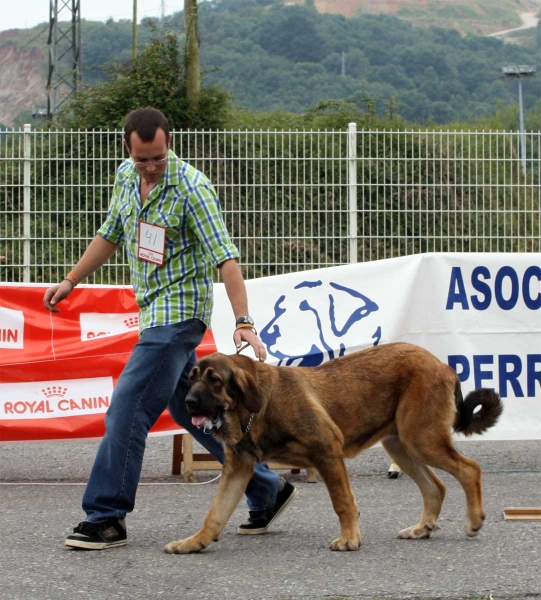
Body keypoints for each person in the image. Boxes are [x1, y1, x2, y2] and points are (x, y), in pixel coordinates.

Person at [43, 106, 297, 551]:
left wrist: (242, 321)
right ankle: (265, 488)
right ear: (129, 149)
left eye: (158, 157)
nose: (151, 167)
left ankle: (105, 516)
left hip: (179, 316)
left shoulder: (192, 188)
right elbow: (110, 234)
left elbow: (226, 257)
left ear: (169, 142)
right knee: (187, 409)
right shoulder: (126, 176)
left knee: (127, 407)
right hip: (152, 310)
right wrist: (71, 279)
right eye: (143, 159)